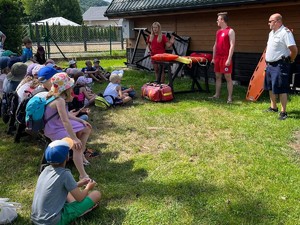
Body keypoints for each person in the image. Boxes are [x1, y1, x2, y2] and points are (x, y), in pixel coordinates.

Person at [31, 138, 101, 225]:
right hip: (53, 222)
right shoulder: (65, 174)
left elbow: (59, 187)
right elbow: (80, 198)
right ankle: (80, 212)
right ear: (67, 156)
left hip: (36, 219)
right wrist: (88, 187)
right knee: (96, 194)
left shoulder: (45, 170)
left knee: (67, 192)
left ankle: (75, 207)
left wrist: (79, 183)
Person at [44, 72, 93, 179]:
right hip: (54, 128)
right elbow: (65, 121)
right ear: (67, 87)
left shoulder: (56, 96)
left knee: (86, 128)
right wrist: (74, 138)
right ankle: (83, 175)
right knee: (77, 146)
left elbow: (66, 115)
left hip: (57, 125)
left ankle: (81, 156)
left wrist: (81, 121)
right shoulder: (59, 100)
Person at [264, 13, 298, 120]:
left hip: (280, 64)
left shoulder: (285, 33)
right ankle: (273, 107)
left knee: (282, 88)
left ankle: (284, 112)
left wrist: (290, 59)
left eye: (270, 21)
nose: (268, 23)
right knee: (270, 87)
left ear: (278, 21)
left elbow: (294, 49)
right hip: (270, 64)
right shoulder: (271, 33)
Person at [210, 12, 235, 103]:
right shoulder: (218, 32)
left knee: (228, 76)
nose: (217, 21)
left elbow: (232, 46)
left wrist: (229, 59)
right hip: (218, 57)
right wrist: (213, 58)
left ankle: (229, 98)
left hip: (225, 57)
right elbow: (215, 45)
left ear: (222, 20)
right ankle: (217, 94)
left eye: (218, 19)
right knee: (217, 76)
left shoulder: (230, 31)